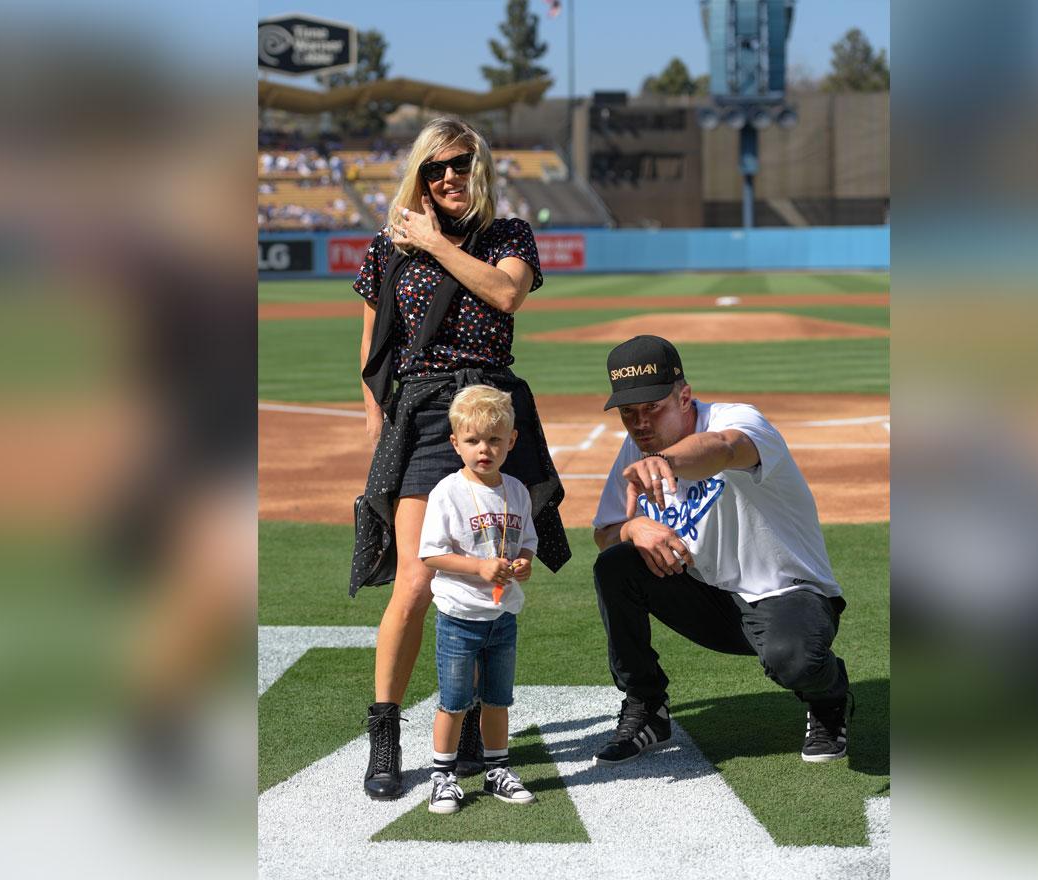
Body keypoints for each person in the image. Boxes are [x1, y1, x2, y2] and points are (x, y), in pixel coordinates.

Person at [349, 116, 569, 801]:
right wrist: (375, 430)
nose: (449, 177)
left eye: (462, 165)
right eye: (436, 166)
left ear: (482, 171)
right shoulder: (387, 251)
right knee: (417, 580)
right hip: (420, 416)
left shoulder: (508, 237)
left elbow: (506, 295)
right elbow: (374, 353)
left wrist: (437, 244)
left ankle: (473, 724)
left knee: (491, 570)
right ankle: (385, 729)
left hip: (491, 412)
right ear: (419, 173)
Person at [590, 336, 853, 765]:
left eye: (652, 407)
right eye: (628, 413)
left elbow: (726, 449)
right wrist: (634, 527)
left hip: (786, 593)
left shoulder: (736, 420)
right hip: (707, 598)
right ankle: (646, 706)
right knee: (615, 564)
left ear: (685, 396)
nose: (640, 423)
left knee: (797, 662)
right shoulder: (638, 446)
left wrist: (667, 462)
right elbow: (605, 531)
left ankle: (829, 697)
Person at [418, 385, 539, 813]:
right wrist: (479, 568)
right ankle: (443, 776)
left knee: (498, 699)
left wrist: (522, 562)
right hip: (459, 616)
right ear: (455, 443)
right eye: (472, 440)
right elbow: (431, 553)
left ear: (511, 441)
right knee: (453, 701)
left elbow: (527, 542)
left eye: (494, 440)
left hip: (502, 614)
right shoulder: (446, 492)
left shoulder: (517, 491)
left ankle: (497, 769)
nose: (483, 449)